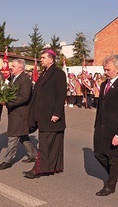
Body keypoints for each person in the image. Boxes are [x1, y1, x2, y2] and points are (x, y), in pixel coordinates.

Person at [93, 55, 118, 196]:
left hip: (115, 129)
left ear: (117, 69)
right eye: (104, 69)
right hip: (101, 127)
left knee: (113, 158)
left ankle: (110, 185)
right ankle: (115, 174)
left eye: (108, 69)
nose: (105, 72)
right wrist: (96, 124)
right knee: (98, 153)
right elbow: (100, 107)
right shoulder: (104, 84)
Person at [23, 49, 66, 179]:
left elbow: (61, 94)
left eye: (43, 58)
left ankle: (37, 170)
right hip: (42, 115)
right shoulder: (44, 74)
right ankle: (49, 168)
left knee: (46, 144)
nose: (40, 60)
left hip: (52, 116)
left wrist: (57, 113)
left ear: (51, 59)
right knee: (46, 144)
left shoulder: (58, 73)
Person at [0, 59, 37, 170]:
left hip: (20, 114)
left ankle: (7, 161)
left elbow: (24, 97)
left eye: (13, 66)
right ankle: (34, 155)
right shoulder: (14, 79)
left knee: (13, 137)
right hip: (15, 113)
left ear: (21, 68)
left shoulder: (25, 80)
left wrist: (7, 102)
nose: (11, 67)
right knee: (22, 135)